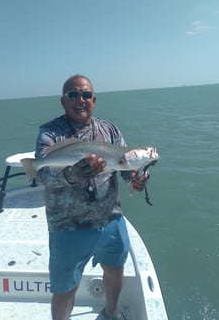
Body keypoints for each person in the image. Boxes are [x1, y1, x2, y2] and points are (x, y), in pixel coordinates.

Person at [35, 75, 149, 320]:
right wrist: (71, 174)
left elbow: (125, 166)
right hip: (67, 226)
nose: (81, 100)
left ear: (94, 100)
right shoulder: (50, 133)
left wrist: (135, 179)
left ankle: (111, 312)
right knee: (65, 288)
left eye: (86, 95)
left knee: (115, 269)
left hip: (111, 219)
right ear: (63, 101)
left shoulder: (110, 130)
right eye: (73, 95)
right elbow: (42, 175)